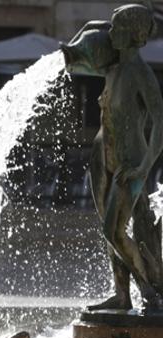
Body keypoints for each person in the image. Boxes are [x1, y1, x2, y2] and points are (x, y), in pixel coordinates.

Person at [64, 4, 163, 311]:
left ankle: (149, 291)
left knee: (113, 230)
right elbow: (72, 63)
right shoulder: (113, 68)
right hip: (101, 159)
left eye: (118, 27)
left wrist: (144, 166)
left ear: (135, 35)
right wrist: (89, 27)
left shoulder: (140, 74)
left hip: (129, 164)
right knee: (110, 232)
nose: (111, 32)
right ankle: (122, 296)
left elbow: (160, 122)